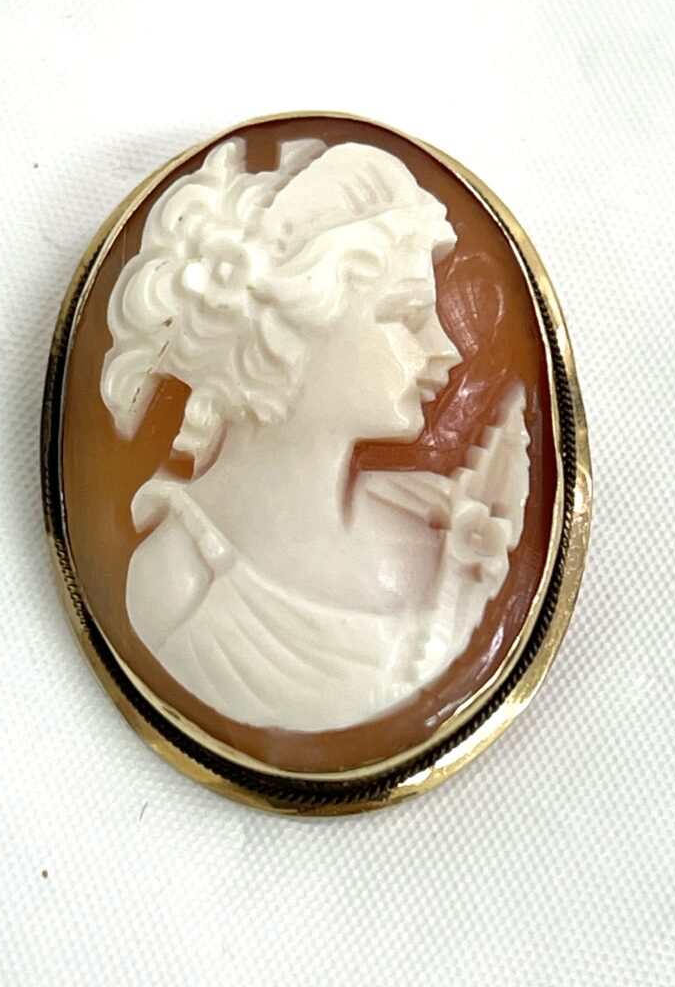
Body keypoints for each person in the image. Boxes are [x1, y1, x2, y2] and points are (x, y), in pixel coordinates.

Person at [100, 137, 530, 732]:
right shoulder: (177, 589)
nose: (446, 349)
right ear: (288, 334)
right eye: (408, 316)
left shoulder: (438, 511)